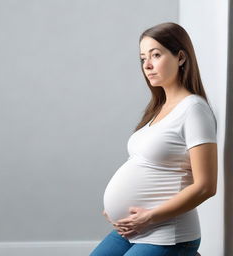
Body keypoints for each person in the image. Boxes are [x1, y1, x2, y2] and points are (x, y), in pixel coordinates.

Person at [90, 22, 217, 256]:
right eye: (142, 58)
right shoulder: (158, 110)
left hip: (168, 234)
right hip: (132, 230)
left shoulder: (194, 109)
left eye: (156, 55)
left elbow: (206, 186)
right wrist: (117, 209)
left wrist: (149, 216)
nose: (147, 65)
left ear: (180, 57)